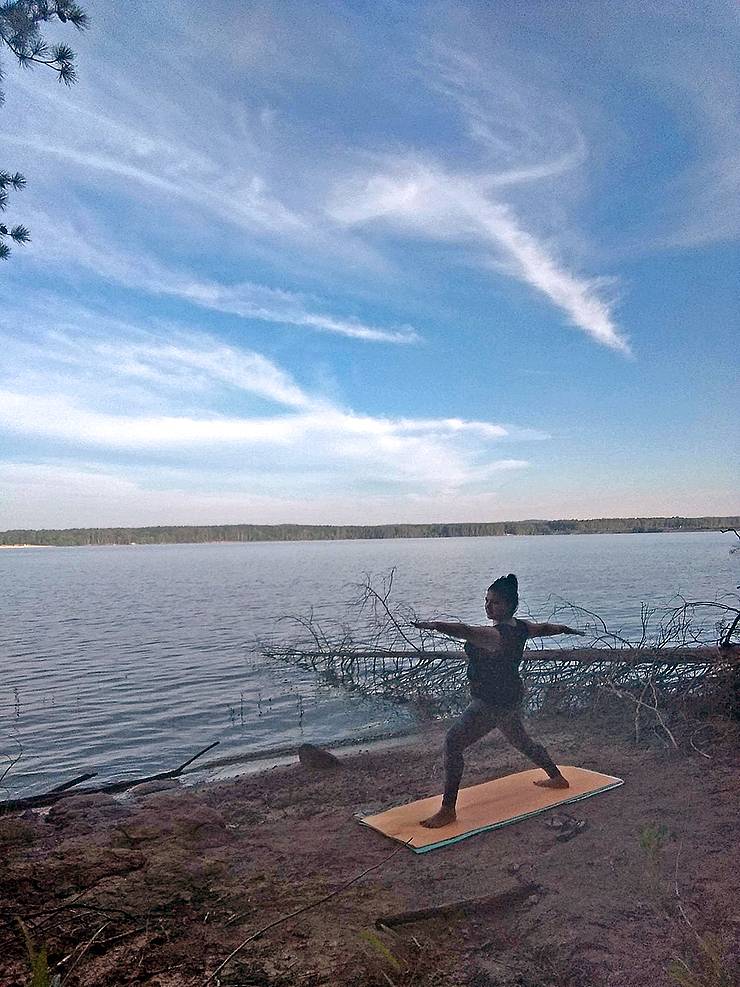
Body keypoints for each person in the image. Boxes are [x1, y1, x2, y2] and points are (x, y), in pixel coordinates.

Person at [411, 573, 585, 829]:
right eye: (486, 601)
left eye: (494, 602)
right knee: (521, 741)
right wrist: (565, 629)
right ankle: (557, 777)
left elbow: (465, 631)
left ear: (508, 605)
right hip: (510, 697)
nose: (487, 606)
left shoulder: (496, 635)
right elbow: (544, 629)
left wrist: (436, 625)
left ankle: (448, 810)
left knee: (453, 742)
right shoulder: (521, 628)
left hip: (491, 703)